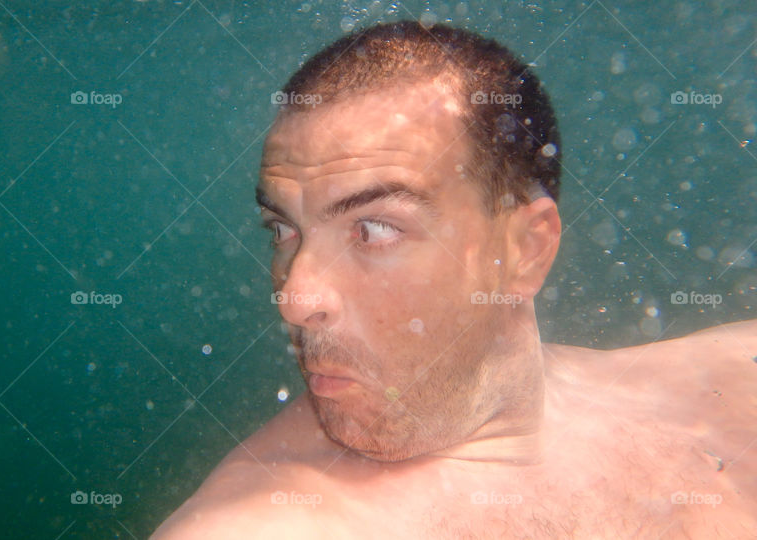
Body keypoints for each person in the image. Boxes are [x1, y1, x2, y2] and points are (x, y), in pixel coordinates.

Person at [153, 21, 757, 538]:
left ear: (526, 250)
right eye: (282, 230)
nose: (295, 298)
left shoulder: (727, 392)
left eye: (375, 230)